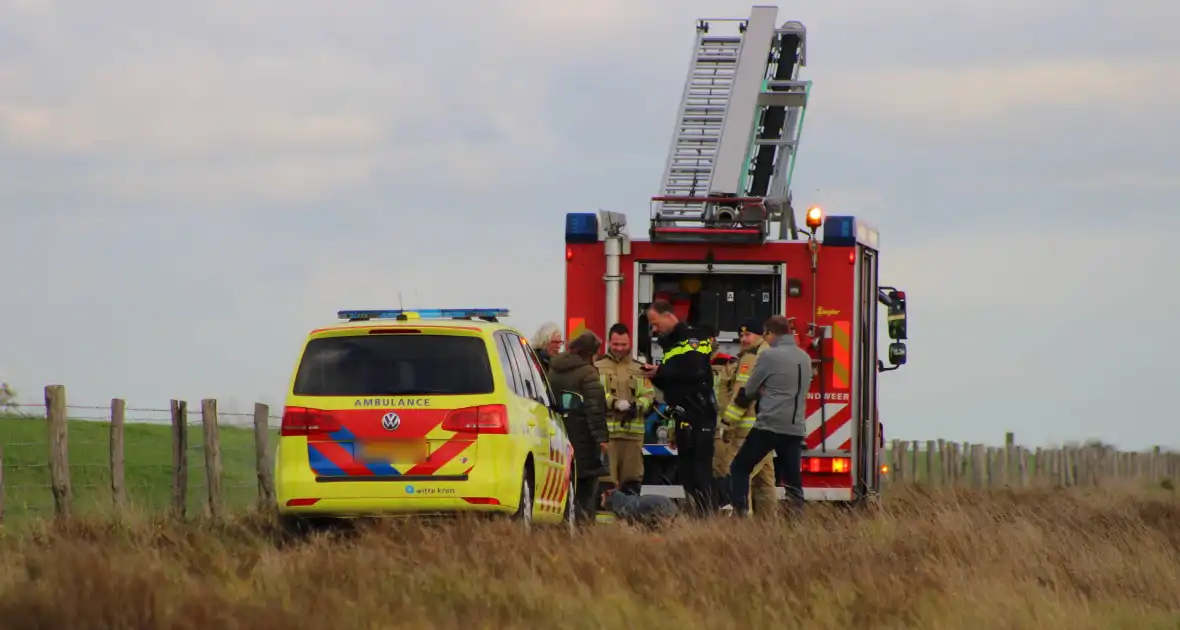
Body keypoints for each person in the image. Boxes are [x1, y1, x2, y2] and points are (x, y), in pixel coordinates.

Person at [726, 315, 812, 517]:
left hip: (769, 426)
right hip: (795, 427)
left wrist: (760, 392)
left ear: (772, 333)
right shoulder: (804, 357)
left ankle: (740, 515)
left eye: (766, 335)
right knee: (793, 482)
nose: (766, 339)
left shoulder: (768, 356)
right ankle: (796, 524)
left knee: (739, 467)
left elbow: (750, 390)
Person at [641, 299, 717, 516]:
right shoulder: (671, 344)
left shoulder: (693, 338)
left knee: (701, 472)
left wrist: (662, 371)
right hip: (683, 415)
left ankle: (708, 519)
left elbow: (696, 371)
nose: (655, 329)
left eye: (656, 323)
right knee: (686, 473)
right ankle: (697, 517)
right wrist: (655, 376)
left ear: (668, 316)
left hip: (700, 413)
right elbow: (671, 384)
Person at [546, 330, 610, 524]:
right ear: (590, 352)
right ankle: (582, 526)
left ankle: (561, 524)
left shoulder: (554, 369)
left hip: (559, 433)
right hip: (584, 437)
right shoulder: (588, 372)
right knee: (586, 486)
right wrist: (601, 440)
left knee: (563, 483)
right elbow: (595, 408)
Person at [718, 318, 778, 517]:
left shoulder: (752, 358)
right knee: (764, 481)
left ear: (759, 335)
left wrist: (727, 423)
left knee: (739, 474)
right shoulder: (769, 354)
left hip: (747, 431)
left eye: (747, 335)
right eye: (741, 335)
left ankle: (743, 522)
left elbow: (742, 395)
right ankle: (769, 524)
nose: (743, 339)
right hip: (766, 427)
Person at [594, 323, 654, 495]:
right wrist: (613, 402)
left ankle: (629, 521)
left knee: (632, 481)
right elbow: (596, 394)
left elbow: (649, 395)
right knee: (605, 482)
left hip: (632, 436)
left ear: (630, 344)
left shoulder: (640, 368)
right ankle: (604, 521)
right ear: (608, 343)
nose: (619, 348)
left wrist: (637, 405)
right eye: (616, 344)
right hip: (607, 436)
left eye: (623, 345)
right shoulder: (598, 367)